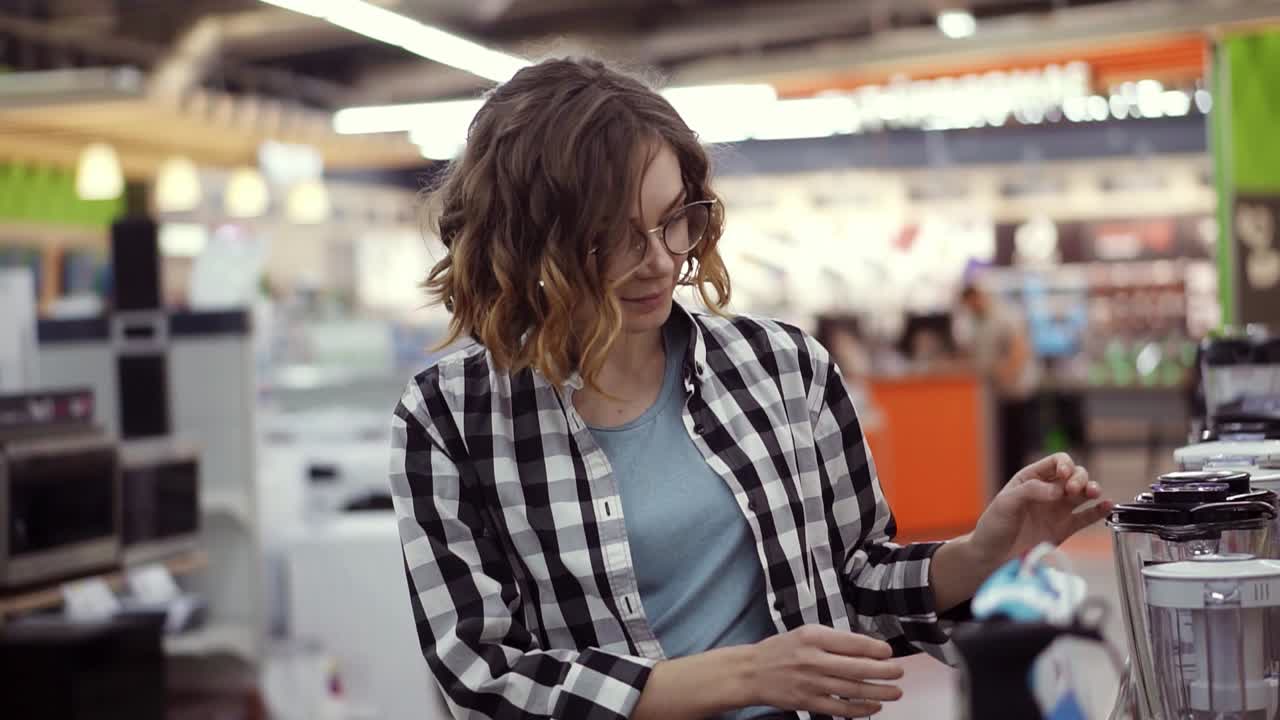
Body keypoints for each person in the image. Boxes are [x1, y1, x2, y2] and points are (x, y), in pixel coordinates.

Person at [389, 57, 1110, 720]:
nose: (659, 261)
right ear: (524, 240)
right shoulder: (451, 420)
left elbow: (853, 586)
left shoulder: (782, 367)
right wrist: (744, 675)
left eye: (674, 220)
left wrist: (977, 555)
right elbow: (484, 674)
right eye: (610, 237)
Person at [955, 282, 1043, 492]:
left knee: (1016, 445)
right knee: (1001, 447)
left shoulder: (1005, 315)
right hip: (996, 395)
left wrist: (1003, 375)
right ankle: (1007, 488)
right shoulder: (976, 322)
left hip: (1016, 392)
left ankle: (1021, 489)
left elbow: (1019, 351)